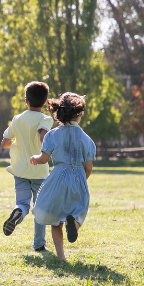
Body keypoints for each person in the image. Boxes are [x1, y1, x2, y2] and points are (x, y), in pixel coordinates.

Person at [30, 92, 95, 261]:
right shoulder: (87, 139)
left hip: (58, 177)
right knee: (78, 211)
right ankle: (74, 224)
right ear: (79, 114)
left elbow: (44, 159)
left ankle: (61, 258)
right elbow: (88, 167)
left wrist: (34, 158)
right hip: (78, 177)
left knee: (55, 219)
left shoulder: (52, 134)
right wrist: (82, 179)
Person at [0, 82, 53, 252]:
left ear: (26, 101)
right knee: (40, 208)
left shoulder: (17, 119)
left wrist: (17, 142)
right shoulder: (45, 119)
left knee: (22, 203)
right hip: (39, 170)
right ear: (45, 102)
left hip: (20, 169)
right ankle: (39, 244)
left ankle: (18, 212)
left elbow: (4, 143)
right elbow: (43, 136)